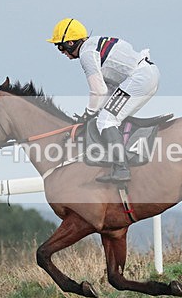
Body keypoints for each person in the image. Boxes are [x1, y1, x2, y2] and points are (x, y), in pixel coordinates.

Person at [47, 17, 160, 183]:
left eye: (60, 46)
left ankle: (122, 169)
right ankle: (123, 154)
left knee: (106, 120)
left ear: (70, 43)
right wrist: (95, 112)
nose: (61, 51)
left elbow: (98, 91)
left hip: (139, 79)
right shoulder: (93, 45)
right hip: (145, 75)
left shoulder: (86, 54)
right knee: (108, 115)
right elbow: (107, 91)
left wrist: (88, 114)